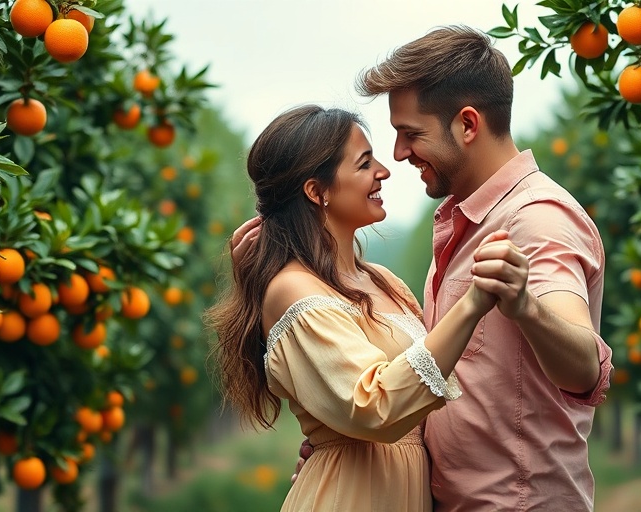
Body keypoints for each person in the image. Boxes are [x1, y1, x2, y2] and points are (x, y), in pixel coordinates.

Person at [233, 26, 614, 511]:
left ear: (468, 125)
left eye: (411, 134)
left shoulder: (535, 220)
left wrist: (525, 307)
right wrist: (340, 447)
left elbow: (584, 369)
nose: (396, 156)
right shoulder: (463, 226)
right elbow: (380, 390)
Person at [206, 104, 518, 511]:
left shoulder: (384, 281)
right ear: (317, 191)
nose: (383, 172)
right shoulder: (292, 291)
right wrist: (473, 302)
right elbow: (375, 408)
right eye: (364, 163)